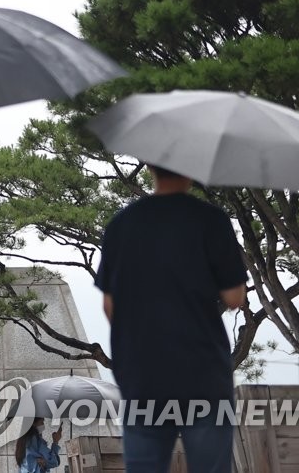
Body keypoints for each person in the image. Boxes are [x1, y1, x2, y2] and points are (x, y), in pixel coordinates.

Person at [94, 164, 248, 473]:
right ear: (191, 168)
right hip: (203, 374)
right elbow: (234, 298)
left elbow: (109, 306)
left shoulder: (121, 224)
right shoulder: (211, 220)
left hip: (142, 375)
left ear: (150, 166)